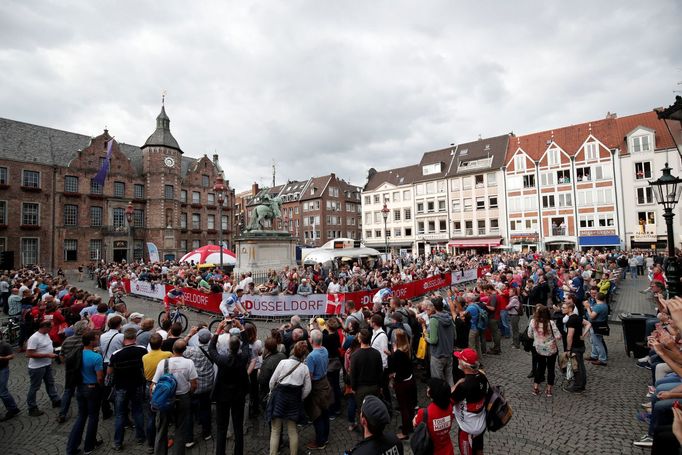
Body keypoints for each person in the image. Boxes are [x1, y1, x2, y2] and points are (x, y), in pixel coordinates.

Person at [208, 320, 251, 455]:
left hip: (223, 396)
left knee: (221, 428)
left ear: (228, 347)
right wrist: (241, 327)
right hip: (238, 396)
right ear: (238, 346)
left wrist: (218, 329)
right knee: (238, 428)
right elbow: (247, 344)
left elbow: (211, 349)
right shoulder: (243, 358)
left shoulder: (222, 360)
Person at [152, 339, 198, 455]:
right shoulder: (189, 363)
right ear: (184, 350)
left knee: (162, 429)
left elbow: (154, 384)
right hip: (183, 397)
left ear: (173, 349)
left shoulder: (163, 363)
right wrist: (189, 393)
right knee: (180, 428)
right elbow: (194, 384)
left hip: (166, 398)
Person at [268, 340, 312, 455]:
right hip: (294, 400)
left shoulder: (283, 362)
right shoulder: (304, 368)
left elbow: (272, 382)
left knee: (275, 430)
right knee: (292, 430)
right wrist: (299, 397)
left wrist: (272, 392)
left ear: (293, 351)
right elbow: (308, 389)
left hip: (279, 398)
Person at [109, 327, 147, 451]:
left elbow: (109, 372)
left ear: (124, 339)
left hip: (121, 387)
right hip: (137, 384)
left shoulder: (116, 354)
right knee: (138, 411)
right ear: (135, 339)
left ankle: (118, 442)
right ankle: (140, 437)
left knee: (120, 414)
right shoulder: (142, 350)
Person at [65, 330, 104, 455]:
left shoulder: (78, 353)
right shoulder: (96, 357)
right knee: (93, 417)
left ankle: (71, 448)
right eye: (96, 339)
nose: (98, 341)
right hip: (92, 388)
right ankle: (89, 446)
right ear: (92, 341)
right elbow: (99, 377)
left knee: (81, 417)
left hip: (80, 388)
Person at [452, 348, 488, 455]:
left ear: (465, 365)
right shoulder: (482, 376)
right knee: (479, 450)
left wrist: (458, 383)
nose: (457, 360)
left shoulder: (464, 386)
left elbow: (450, 398)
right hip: (480, 424)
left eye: (459, 358)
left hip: (467, 429)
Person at [182, 329, 215, 447]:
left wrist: (189, 335)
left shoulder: (191, 351)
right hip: (207, 385)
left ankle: (189, 438)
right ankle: (206, 433)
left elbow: (180, 347)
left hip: (193, 386)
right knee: (206, 409)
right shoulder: (213, 351)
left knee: (189, 412)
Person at [142, 334, 171, 453]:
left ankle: (150, 444)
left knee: (151, 416)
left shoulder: (144, 357)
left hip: (149, 385)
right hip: (162, 385)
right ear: (161, 343)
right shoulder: (167, 354)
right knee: (163, 417)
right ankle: (162, 441)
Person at [26, 320, 61, 416]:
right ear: (45, 327)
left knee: (50, 383)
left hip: (46, 364)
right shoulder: (34, 338)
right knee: (35, 387)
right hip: (37, 367)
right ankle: (32, 407)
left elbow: (46, 347)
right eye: (50, 327)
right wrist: (47, 355)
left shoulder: (46, 334)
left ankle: (55, 400)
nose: (51, 329)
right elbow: (29, 354)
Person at [387, 329, 417, 440]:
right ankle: (410, 424)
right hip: (409, 380)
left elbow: (394, 368)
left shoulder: (398, 353)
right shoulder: (407, 348)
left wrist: (392, 355)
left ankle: (405, 432)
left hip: (402, 383)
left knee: (404, 407)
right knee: (409, 406)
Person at [305, 328, 332, 450]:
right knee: (325, 412)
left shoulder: (311, 356)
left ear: (312, 340)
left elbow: (309, 376)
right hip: (325, 382)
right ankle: (325, 437)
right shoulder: (325, 350)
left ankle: (320, 442)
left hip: (316, 386)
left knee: (317, 415)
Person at [58, 320, 89, 423]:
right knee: (82, 390)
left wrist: (67, 364)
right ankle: (83, 412)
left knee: (68, 391)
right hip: (82, 368)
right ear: (84, 330)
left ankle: (62, 413)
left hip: (70, 369)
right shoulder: (85, 341)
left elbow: (61, 355)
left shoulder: (67, 340)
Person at [350, 329, 383, 425]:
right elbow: (380, 372)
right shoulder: (376, 353)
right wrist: (380, 386)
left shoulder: (355, 355)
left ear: (360, 339)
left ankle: (366, 432)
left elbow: (353, 374)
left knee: (362, 412)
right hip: (375, 387)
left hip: (361, 389)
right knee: (374, 410)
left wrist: (353, 387)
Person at [413, 378, 454, 455]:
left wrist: (415, 418)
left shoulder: (424, 412)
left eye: (429, 388)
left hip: (432, 450)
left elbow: (415, 424)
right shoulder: (450, 406)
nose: (427, 389)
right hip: (448, 449)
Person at [528, 305, 562, 397]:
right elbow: (558, 336)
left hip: (539, 348)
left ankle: (536, 387)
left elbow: (529, 335)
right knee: (551, 369)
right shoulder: (550, 323)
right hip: (551, 349)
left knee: (540, 367)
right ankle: (549, 390)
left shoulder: (533, 322)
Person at [422, 297, 455, 386]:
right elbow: (454, 335)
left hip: (438, 355)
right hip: (449, 352)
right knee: (449, 377)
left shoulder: (434, 320)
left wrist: (426, 338)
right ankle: (452, 396)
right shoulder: (448, 316)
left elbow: (433, 340)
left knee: (438, 380)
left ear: (433, 307)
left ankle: (442, 398)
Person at [563, 300, 590, 393]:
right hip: (580, 345)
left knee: (577, 367)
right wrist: (583, 335)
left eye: (564, 308)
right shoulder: (577, 317)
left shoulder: (571, 320)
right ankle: (581, 384)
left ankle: (578, 386)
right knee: (581, 366)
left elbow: (570, 335)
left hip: (575, 346)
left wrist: (568, 349)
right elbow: (588, 324)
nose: (562, 309)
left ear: (570, 309)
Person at [584, 292, 609, 366]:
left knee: (598, 343)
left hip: (596, 326)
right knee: (593, 342)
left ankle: (602, 359)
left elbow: (592, 316)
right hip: (598, 326)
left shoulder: (598, 306)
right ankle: (594, 355)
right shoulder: (604, 305)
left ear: (596, 298)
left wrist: (588, 308)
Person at [0, 337, 20, 421]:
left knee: (3, 392)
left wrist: (2, 358)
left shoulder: (5, 345)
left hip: (3, 369)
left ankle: (13, 408)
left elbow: (12, 356)